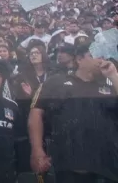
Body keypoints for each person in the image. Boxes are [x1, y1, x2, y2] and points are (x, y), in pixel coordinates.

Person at [29, 45, 118, 183]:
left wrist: (113, 75)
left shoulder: (111, 86)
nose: (102, 61)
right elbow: (36, 114)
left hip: (106, 165)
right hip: (67, 163)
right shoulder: (55, 82)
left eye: (104, 57)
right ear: (80, 59)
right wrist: (37, 149)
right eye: (97, 56)